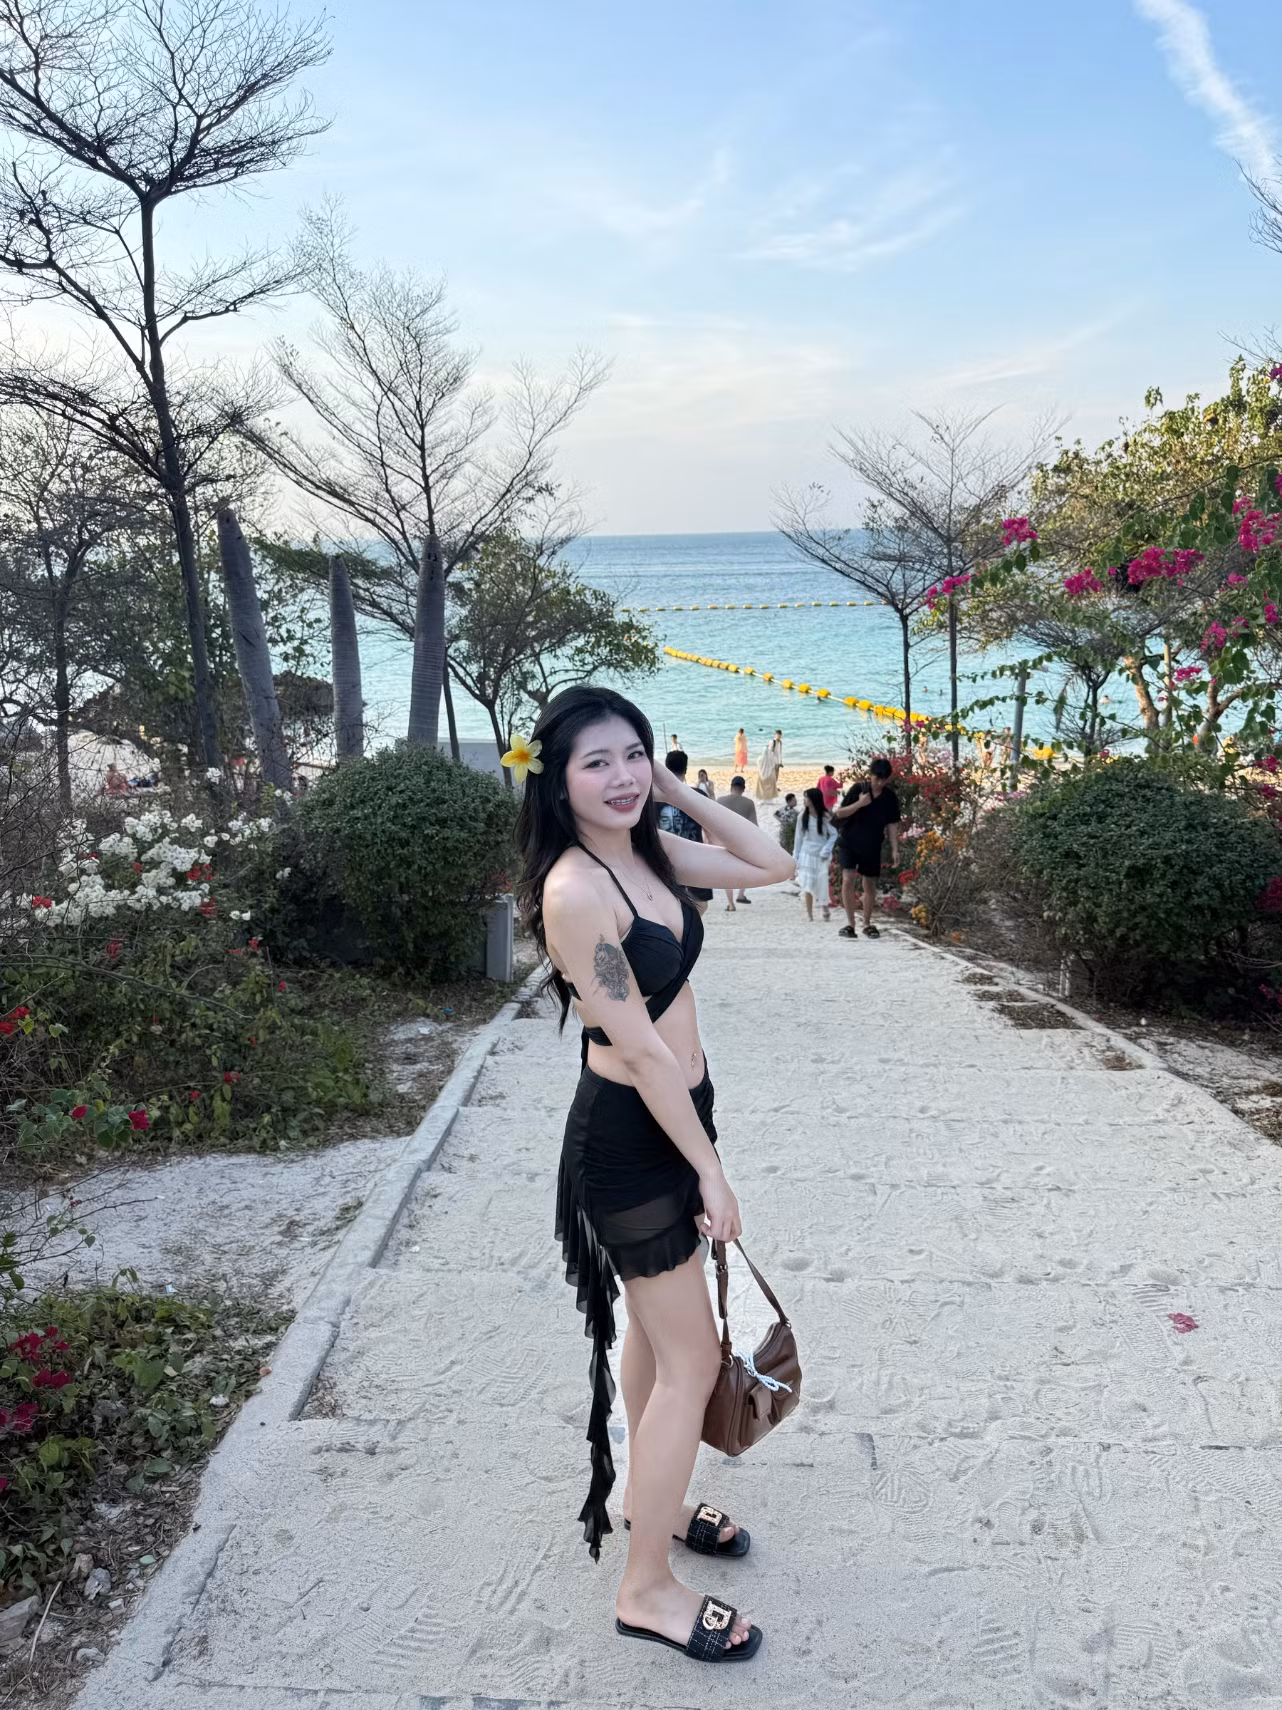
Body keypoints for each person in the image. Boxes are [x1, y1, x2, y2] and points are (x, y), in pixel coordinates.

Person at [515, 685, 793, 1666]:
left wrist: (674, 790)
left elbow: (772, 862)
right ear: (556, 781)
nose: (623, 776)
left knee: (651, 1330)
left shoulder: (649, 851)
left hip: (679, 1114)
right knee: (693, 1360)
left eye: (634, 754)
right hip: (633, 1137)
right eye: (597, 762)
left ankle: (653, 1503)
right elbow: (636, 1050)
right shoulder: (574, 891)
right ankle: (645, 1590)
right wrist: (711, 1172)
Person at [831, 757, 901, 939]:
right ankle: (850, 924)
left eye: (883, 779)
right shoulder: (859, 789)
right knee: (848, 879)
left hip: (872, 844)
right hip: (849, 841)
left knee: (869, 883)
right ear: (871, 775)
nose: (880, 783)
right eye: (877, 778)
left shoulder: (889, 797)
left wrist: (895, 849)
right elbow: (840, 813)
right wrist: (860, 804)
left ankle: (867, 923)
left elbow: (892, 824)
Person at [657, 751, 713, 915]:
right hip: (696, 856)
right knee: (701, 903)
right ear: (686, 769)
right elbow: (710, 830)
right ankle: (688, 927)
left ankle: (682, 928)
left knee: (670, 901)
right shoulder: (699, 795)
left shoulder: (654, 798)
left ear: (666, 768)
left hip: (665, 857)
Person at [793, 787, 837, 922]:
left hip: (821, 854)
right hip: (806, 853)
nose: (805, 800)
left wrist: (827, 848)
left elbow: (834, 834)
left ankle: (825, 908)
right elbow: (798, 838)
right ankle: (810, 914)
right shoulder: (802, 816)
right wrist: (795, 857)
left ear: (814, 799)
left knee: (821, 881)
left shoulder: (824, 816)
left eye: (807, 797)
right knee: (807, 883)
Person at [715, 777, 759, 910]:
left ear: (731, 786)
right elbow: (754, 826)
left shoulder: (720, 801)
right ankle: (740, 894)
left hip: (723, 841)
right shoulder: (749, 803)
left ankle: (730, 903)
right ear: (743, 788)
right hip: (742, 842)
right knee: (746, 869)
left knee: (727, 873)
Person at [755, 730, 783, 800]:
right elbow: (769, 752)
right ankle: (771, 788)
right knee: (772, 775)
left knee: (776, 775)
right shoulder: (772, 742)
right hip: (772, 761)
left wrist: (780, 761)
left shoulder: (780, 742)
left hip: (777, 761)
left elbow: (780, 752)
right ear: (775, 735)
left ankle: (774, 787)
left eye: (780, 735)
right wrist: (770, 761)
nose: (779, 736)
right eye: (778, 735)